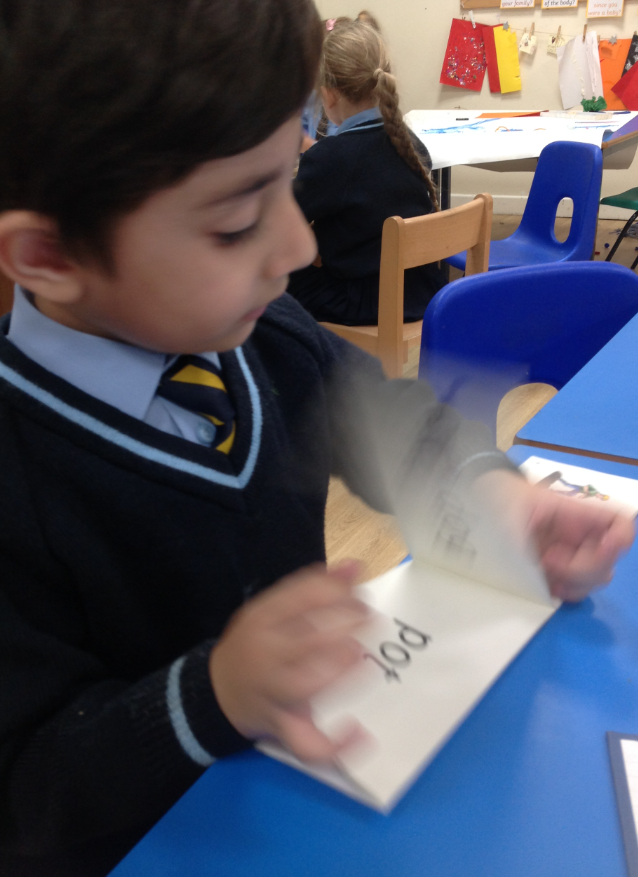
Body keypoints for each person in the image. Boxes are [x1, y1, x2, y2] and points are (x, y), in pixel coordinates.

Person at [0, 1, 632, 876]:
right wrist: (217, 692)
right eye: (234, 222)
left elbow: (391, 424)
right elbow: (27, 784)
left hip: (316, 802)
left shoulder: (264, 335)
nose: (298, 246)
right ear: (49, 257)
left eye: (290, 178)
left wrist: (493, 492)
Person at [288, 20, 446, 326]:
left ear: (329, 95)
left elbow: (281, 218)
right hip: (425, 291)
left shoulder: (330, 158)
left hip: (367, 300)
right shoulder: (411, 144)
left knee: (274, 276)